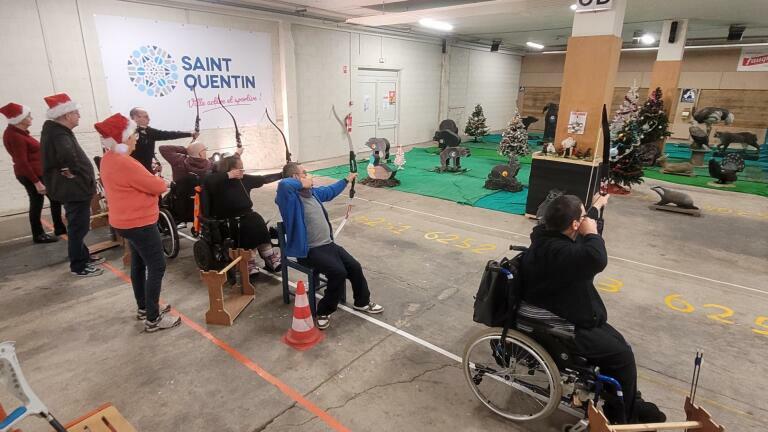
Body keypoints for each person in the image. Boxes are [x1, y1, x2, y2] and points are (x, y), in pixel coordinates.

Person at [520, 194, 665, 424]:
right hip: (558, 321)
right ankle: (623, 417)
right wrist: (593, 233)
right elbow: (596, 257)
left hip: (566, 309)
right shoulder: (560, 252)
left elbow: (582, 238)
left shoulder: (548, 237)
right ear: (575, 224)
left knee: (618, 343)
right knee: (622, 356)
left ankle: (628, 400)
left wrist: (596, 206)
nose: (587, 220)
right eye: (583, 216)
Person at [96, 113, 180, 332]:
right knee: (157, 265)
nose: (136, 138)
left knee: (139, 263)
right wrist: (160, 181)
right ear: (123, 138)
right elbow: (156, 186)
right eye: (133, 134)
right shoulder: (124, 163)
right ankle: (153, 318)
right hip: (139, 222)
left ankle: (144, 307)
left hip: (124, 222)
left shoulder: (108, 158)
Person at [276, 163, 383, 330]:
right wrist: (302, 182)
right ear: (295, 177)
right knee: (338, 272)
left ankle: (362, 302)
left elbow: (329, 191)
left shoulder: (313, 193)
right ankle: (324, 311)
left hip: (328, 245)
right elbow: (283, 184)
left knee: (354, 266)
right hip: (309, 251)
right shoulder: (289, 199)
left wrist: (346, 180)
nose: (309, 175)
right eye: (305, 173)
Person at [40, 93, 104, 277]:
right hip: (74, 189)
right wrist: (76, 173)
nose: (79, 116)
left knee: (78, 226)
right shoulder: (59, 133)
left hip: (73, 188)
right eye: (76, 113)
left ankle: (83, 255)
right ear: (67, 115)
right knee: (78, 227)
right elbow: (67, 155)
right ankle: (78, 266)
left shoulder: (57, 131)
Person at [204, 155, 282, 273]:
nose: (242, 171)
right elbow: (207, 181)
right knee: (244, 226)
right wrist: (227, 175)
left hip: (247, 214)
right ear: (229, 169)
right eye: (239, 168)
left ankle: (269, 256)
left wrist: (282, 174)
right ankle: (249, 260)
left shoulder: (243, 179)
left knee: (257, 220)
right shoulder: (217, 181)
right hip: (227, 218)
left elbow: (263, 179)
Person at [2, 102, 67, 243]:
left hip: (35, 173)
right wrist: (36, 182)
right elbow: (22, 162)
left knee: (53, 199)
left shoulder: (19, 133)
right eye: (28, 116)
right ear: (20, 119)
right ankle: (39, 234)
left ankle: (58, 228)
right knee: (38, 203)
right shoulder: (15, 136)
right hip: (31, 174)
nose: (31, 118)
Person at [129, 107, 198, 173]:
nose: (149, 119)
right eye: (146, 117)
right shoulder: (128, 133)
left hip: (148, 169)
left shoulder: (149, 131)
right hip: (134, 169)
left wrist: (190, 134)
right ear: (135, 118)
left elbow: (168, 134)